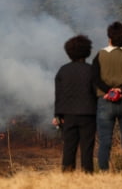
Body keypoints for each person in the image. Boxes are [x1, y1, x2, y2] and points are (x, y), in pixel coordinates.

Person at [92, 21, 122, 175]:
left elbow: (95, 78)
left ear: (110, 38)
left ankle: (104, 172)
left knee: (105, 140)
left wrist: (108, 90)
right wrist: (121, 90)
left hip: (105, 101)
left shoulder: (100, 55)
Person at [52, 35, 97, 173]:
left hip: (68, 115)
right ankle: (88, 176)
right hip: (88, 114)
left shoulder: (63, 70)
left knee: (69, 148)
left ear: (68, 52)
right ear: (87, 51)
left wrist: (57, 115)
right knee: (87, 148)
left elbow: (58, 96)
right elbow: (97, 93)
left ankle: (67, 176)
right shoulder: (92, 70)